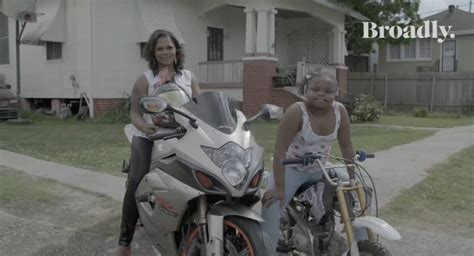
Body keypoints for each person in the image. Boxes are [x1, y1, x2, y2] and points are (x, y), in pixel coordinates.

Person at [117, 29, 200, 256]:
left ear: (176, 50)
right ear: (153, 52)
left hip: (181, 134)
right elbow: (134, 113)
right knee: (136, 181)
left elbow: (199, 107)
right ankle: (124, 243)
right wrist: (144, 126)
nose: (165, 52)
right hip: (149, 135)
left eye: (169, 47)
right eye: (160, 48)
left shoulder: (188, 77)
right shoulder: (146, 79)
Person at [261, 70, 356, 251]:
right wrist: (279, 188)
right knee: (271, 207)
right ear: (305, 91)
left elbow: (347, 146)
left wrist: (353, 178)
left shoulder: (340, 112)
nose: (321, 93)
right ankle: (266, 250)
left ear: (336, 93)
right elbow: (279, 150)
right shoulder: (297, 112)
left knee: (360, 193)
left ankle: (359, 244)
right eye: (315, 89)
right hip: (290, 169)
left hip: (319, 169)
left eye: (328, 91)